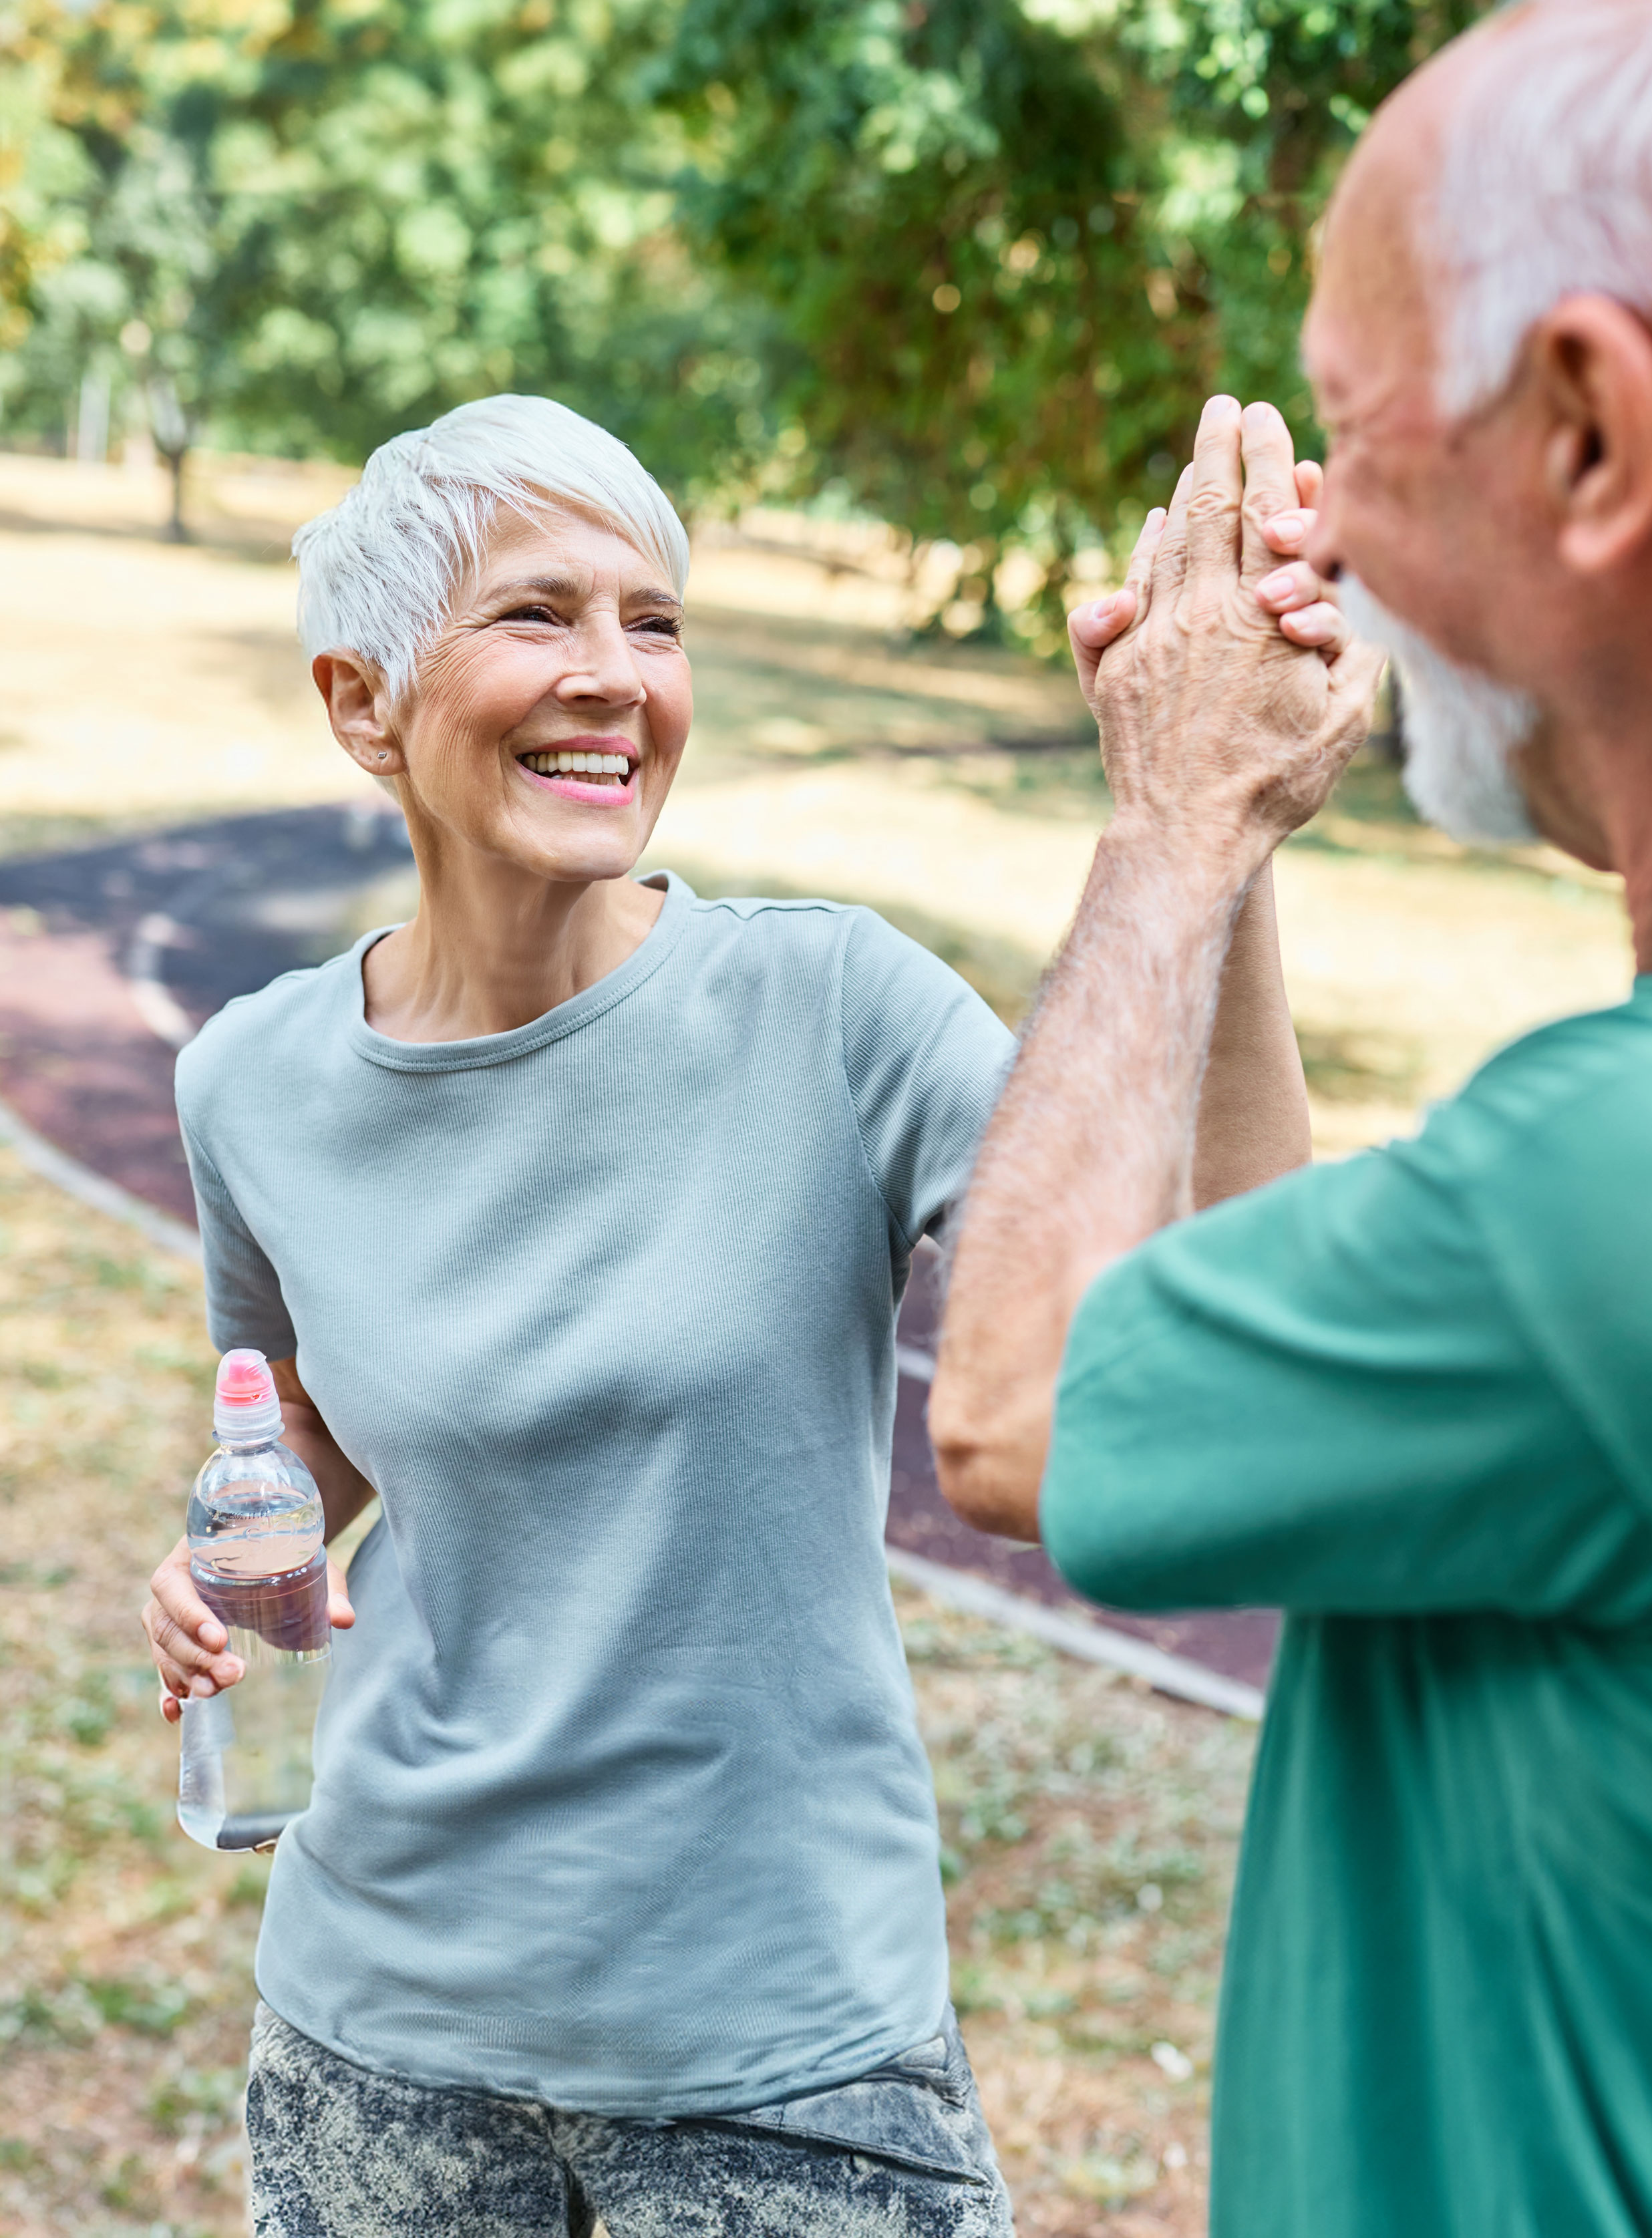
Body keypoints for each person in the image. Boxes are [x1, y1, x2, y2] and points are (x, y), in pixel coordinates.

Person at [929, 0, 1652, 2236]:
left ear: (1591, 436)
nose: (1323, 521)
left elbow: (1021, 1406)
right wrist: (1239, 855)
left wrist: (1170, 824)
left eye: (1362, 423)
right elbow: (1258, 1361)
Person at [136, 392, 1321, 2235]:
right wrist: (233, 1534)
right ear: (364, 704)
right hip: (376, 2036)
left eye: (656, 622)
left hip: (784, 2049)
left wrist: (1215, 828)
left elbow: (1213, 1309)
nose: (615, 674)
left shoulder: (835, 1011)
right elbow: (303, 1400)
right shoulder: (253, 1080)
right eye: (538, 613)